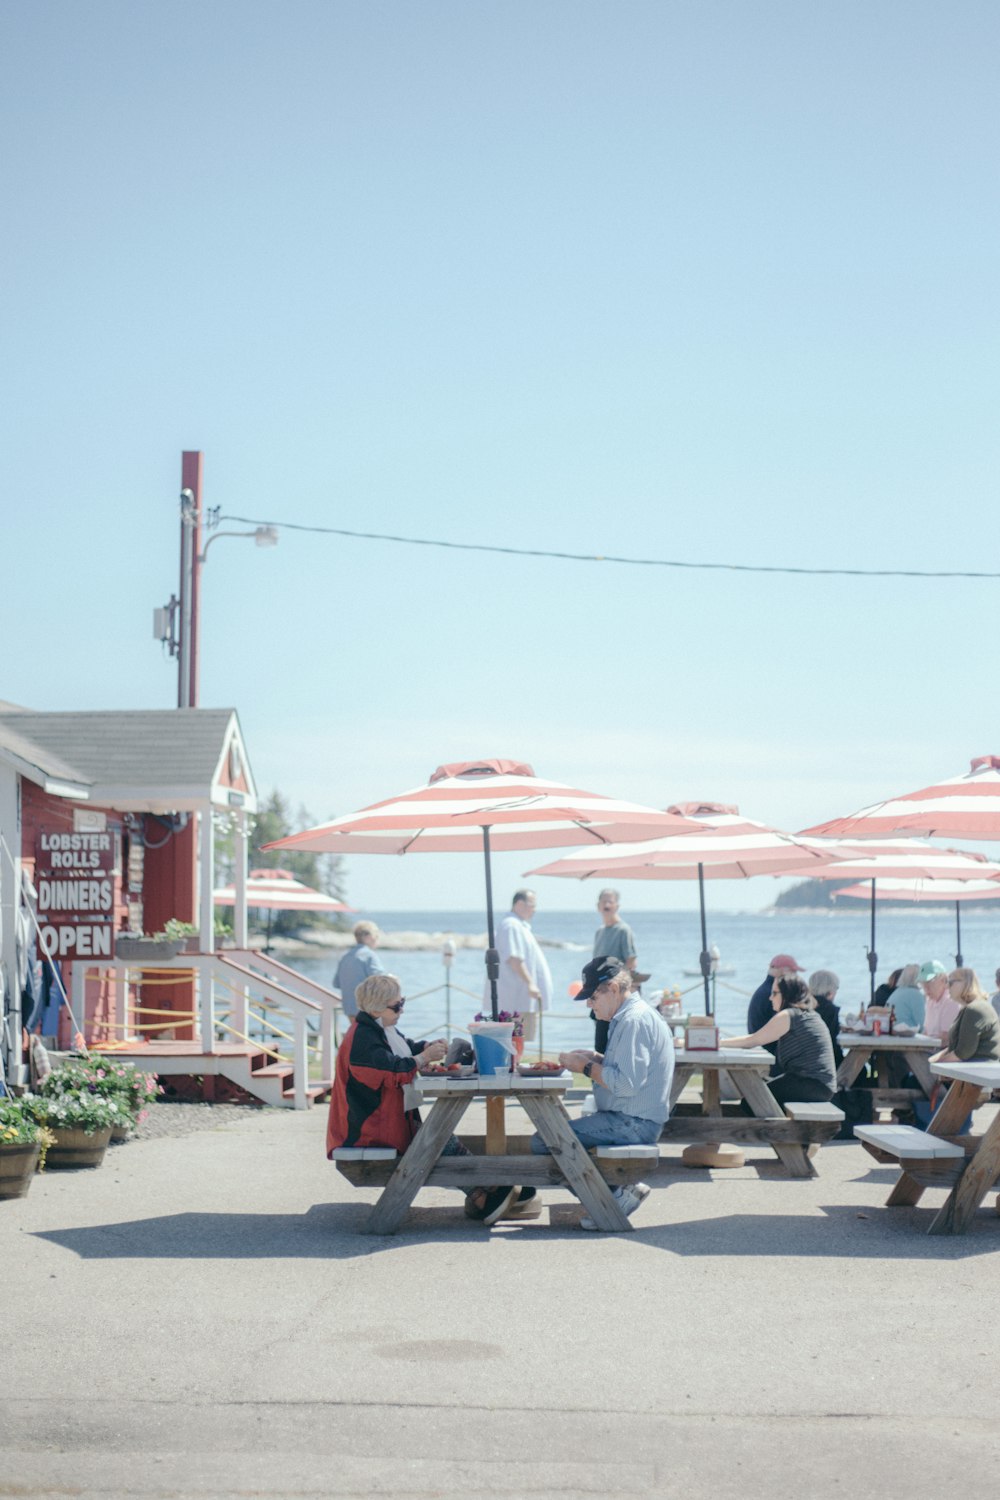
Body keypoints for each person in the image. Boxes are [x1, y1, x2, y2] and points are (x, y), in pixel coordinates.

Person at [326, 973, 521, 1225]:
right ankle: (488, 1188)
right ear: (375, 1007)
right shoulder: (362, 1039)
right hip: (367, 1130)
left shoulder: (378, 1028)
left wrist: (428, 1047)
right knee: (436, 1138)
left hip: (386, 1121)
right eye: (396, 1006)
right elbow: (394, 1070)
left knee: (439, 1136)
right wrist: (424, 1058)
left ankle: (484, 1191)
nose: (402, 1010)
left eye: (402, 1002)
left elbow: (405, 1047)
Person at [535, 956, 674, 1230]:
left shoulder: (632, 1022)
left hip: (633, 1123)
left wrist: (585, 1067)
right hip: (635, 1118)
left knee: (545, 1140)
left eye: (592, 996)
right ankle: (616, 1192)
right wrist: (597, 1058)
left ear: (612, 988)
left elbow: (626, 1085)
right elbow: (627, 1072)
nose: (589, 1004)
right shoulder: (632, 1016)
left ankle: (612, 1198)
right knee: (553, 1135)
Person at [724, 975, 836, 1107]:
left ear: (787, 994)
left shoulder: (788, 1015)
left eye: (774, 993)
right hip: (819, 1086)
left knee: (752, 1101)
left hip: (812, 1085)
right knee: (755, 1094)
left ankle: (772, 1128)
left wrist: (717, 1043)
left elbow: (752, 1040)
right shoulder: (808, 1014)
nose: (770, 998)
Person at [490, 889, 552, 1043]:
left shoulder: (518, 925)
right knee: (519, 1040)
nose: (534, 909)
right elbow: (514, 958)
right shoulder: (511, 925)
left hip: (521, 999)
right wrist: (531, 983)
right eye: (532, 905)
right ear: (519, 904)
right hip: (517, 998)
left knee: (523, 1039)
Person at [590, 888, 638, 1052]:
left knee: (614, 1046)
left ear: (617, 906)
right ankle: (598, 1077)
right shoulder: (599, 932)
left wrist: (618, 991)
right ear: (598, 906)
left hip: (614, 998)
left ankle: (609, 1077)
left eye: (611, 901)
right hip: (599, 996)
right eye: (604, 901)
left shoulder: (623, 930)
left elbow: (631, 962)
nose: (607, 905)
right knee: (600, 1045)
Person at [931, 968, 1000, 1065]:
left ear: (966, 983)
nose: (946, 987)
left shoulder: (975, 1009)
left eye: (950, 983)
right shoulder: (972, 1008)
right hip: (970, 1071)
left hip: (976, 1074)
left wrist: (935, 1065)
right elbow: (956, 1048)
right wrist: (933, 1061)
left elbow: (963, 1053)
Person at [746, 954, 806, 1054]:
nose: (796, 976)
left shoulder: (764, 990)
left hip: (761, 1047)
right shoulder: (776, 993)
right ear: (783, 970)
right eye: (793, 971)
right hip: (770, 1051)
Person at [334, 921, 384, 1019]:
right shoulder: (369, 956)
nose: (377, 940)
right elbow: (381, 982)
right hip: (368, 1010)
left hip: (349, 1008)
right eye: (376, 936)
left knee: (357, 1033)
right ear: (368, 937)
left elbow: (336, 983)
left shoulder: (345, 957)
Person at [918, 959, 961, 1044]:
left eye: (929, 982)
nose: (926, 987)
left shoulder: (951, 1002)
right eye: (922, 983)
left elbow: (945, 1039)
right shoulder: (930, 1001)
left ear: (943, 980)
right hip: (929, 1049)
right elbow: (927, 1032)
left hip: (941, 1053)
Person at [808, 968, 843, 1069]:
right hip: (826, 1064)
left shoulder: (803, 1005)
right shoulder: (829, 1010)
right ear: (831, 990)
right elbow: (831, 1040)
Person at [889, 964, 925, 1029]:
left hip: (892, 1030)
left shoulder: (897, 992)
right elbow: (922, 1023)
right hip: (908, 1034)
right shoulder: (916, 995)